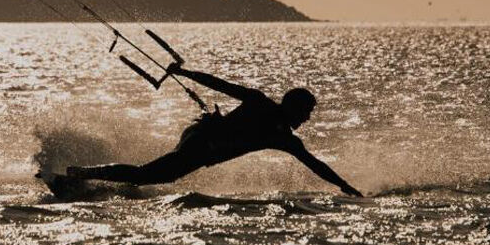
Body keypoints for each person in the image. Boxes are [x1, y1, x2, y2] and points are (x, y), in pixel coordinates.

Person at [67, 63, 365, 197]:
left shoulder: (286, 139)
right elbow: (219, 84)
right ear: (292, 106)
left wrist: (344, 186)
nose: (308, 118)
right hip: (202, 140)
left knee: (154, 175)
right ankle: (80, 174)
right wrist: (184, 73)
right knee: (151, 174)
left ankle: (90, 181)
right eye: (306, 112)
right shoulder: (259, 102)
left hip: (202, 144)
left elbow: (316, 165)